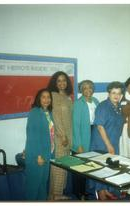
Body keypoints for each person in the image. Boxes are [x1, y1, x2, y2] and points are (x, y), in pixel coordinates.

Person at [89, 81, 124, 200]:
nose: (116, 95)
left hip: (113, 141)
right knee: (101, 168)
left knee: (109, 168)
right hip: (102, 143)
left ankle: (105, 190)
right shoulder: (103, 106)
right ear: (108, 93)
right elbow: (100, 126)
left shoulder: (118, 106)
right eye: (113, 93)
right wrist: (109, 145)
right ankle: (101, 195)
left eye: (119, 93)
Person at [47, 71, 73, 200]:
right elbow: (55, 117)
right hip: (60, 138)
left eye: (64, 80)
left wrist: (69, 138)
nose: (62, 83)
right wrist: (63, 136)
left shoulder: (68, 97)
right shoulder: (54, 96)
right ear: (55, 83)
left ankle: (57, 194)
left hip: (69, 138)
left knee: (64, 167)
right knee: (58, 167)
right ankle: (54, 195)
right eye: (59, 81)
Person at [24, 88, 54, 200]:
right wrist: (38, 156)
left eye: (48, 97)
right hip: (37, 155)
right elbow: (32, 136)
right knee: (33, 187)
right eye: (43, 97)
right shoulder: (35, 112)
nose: (46, 100)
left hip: (46, 153)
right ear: (38, 99)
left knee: (42, 185)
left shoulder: (49, 113)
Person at [72, 80, 99, 199]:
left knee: (89, 165)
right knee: (79, 168)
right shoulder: (78, 103)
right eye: (85, 88)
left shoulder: (96, 101)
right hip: (82, 137)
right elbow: (75, 125)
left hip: (93, 134)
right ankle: (79, 193)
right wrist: (78, 144)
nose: (88, 90)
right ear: (81, 90)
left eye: (90, 87)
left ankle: (86, 190)